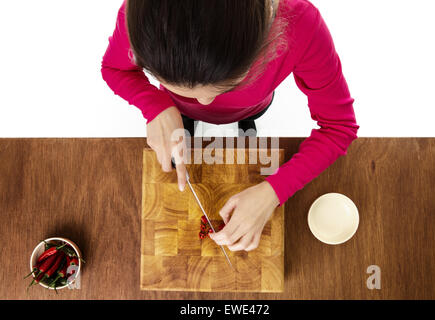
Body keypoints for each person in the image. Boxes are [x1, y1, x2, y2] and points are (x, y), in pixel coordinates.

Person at [101, 0, 359, 252]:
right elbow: (114, 68)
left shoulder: (300, 24)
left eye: (226, 86)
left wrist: (273, 192)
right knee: (184, 124)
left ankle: (245, 120)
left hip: (252, 106)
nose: (203, 102)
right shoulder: (142, 16)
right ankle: (185, 120)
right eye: (176, 86)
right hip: (174, 111)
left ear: (265, 44)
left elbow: (339, 128)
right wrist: (157, 106)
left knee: (247, 119)